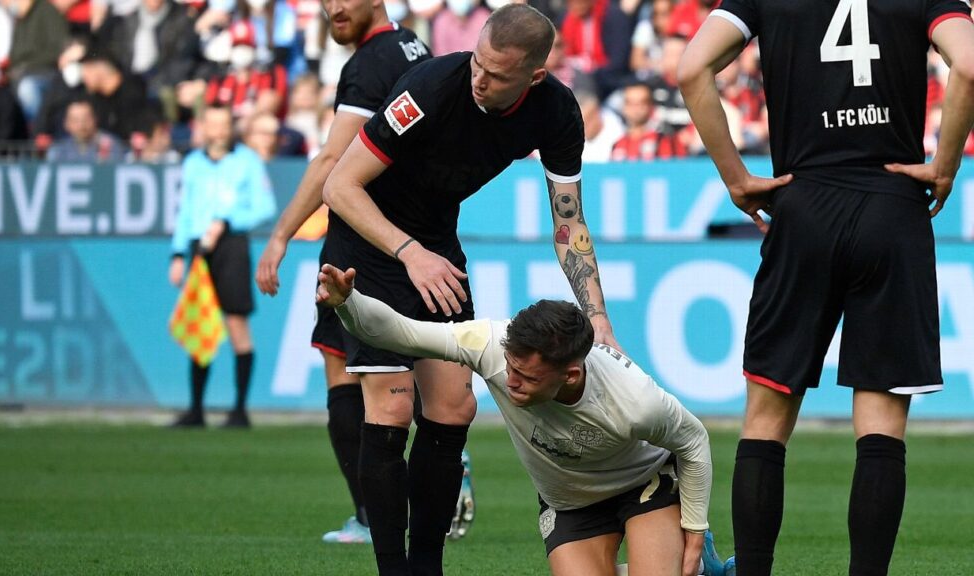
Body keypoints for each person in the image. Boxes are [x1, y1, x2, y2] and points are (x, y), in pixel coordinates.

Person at [321, 5, 620, 575]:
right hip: (370, 244)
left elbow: (569, 222)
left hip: (434, 246)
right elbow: (340, 185)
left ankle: (426, 565)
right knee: (393, 404)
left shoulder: (556, 111)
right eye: (478, 62)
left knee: (454, 406)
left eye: (496, 74)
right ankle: (394, 567)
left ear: (533, 77)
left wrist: (597, 319)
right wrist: (408, 254)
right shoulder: (431, 86)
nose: (479, 78)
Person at [678, 2, 974, 575]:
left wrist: (737, 179)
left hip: (803, 206)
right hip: (893, 210)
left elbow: (692, 68)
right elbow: (968, 64)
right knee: (883, 426)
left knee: (766, 418)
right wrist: (944, 165)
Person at [316, 263, 725, 576]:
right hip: (570, 502)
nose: (510, 383)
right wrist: (348, 304)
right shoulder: (492, 344)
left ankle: (699, 563)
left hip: (644, 483)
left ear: (571, 374)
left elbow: (694, 441)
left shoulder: (634, 399)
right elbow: (399, 333)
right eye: (509, 367)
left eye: (527, 377)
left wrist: (693, 528)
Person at [254, 0, 433, 545]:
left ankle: (371, 516)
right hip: (411, 235)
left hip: (362, 240)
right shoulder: (414, 49)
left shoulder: (368, 63)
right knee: (409, 374)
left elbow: (333, 160)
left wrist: (282, 233)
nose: (334, 7)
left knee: (347, 376)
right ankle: (432, 472)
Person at [169, 104, 277, 429]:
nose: (217, 131)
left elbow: (265, 208)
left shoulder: (247, 161)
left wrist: (227, 222)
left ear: (231, 128)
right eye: (211, 124)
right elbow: (185, 210)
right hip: (199, 250)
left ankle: (240, 410)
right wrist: (177, 253)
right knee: (199, 322)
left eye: (223, 125)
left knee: (236, 323)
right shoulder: (192, 163)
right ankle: (196, 409)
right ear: (202, 127)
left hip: (231, 246)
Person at [46, 97, 125, 161]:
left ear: (95, 119)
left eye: (86, 119)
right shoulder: (59, 150)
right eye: (75, 120)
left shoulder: (111, 144)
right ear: (66, 124)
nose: (81, 125)